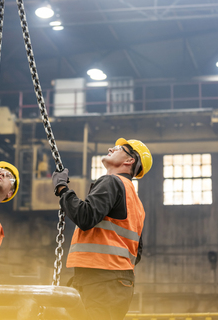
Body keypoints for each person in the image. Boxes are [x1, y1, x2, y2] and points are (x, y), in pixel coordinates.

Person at [52, 137, 152, 320]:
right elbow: (136, 253)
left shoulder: (112, 182)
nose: (110, 148)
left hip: (100, 282)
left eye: (118, 148)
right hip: (118, 285)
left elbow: (85, 216)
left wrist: (62, 189)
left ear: (130, 160)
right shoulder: (135, 201)